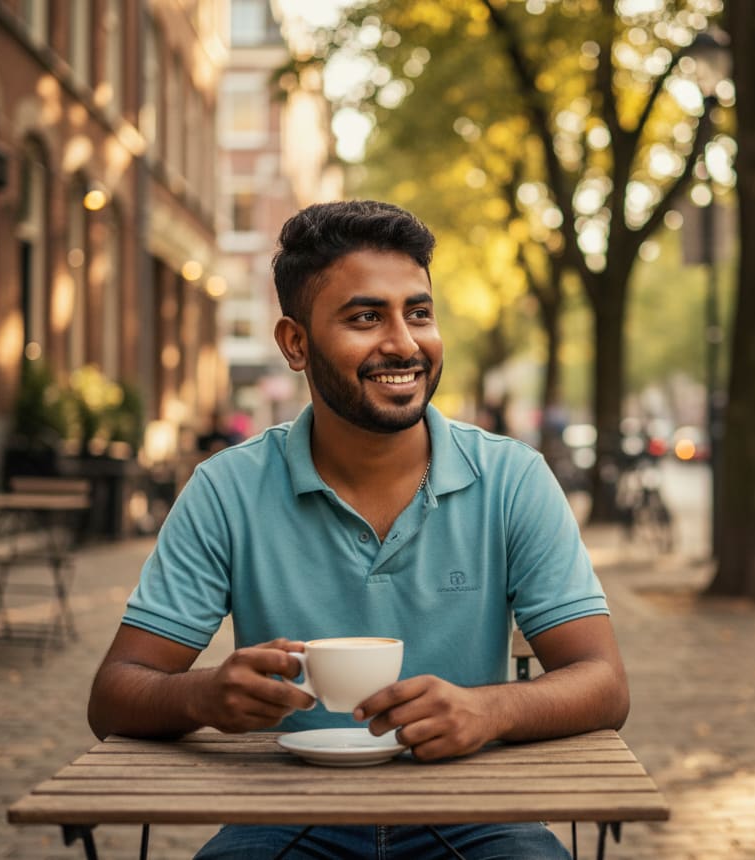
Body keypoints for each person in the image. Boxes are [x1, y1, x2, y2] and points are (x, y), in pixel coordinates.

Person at [87, 200, 630, 860]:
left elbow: (602, 682)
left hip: (475, 812)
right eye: (365, 317)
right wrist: (202, 694)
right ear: (295, 343)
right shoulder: (227, 489)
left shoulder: (512, 479)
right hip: (283, 815)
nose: (404, 343)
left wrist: (492, 710)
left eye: (418, 313)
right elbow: (114, 696)